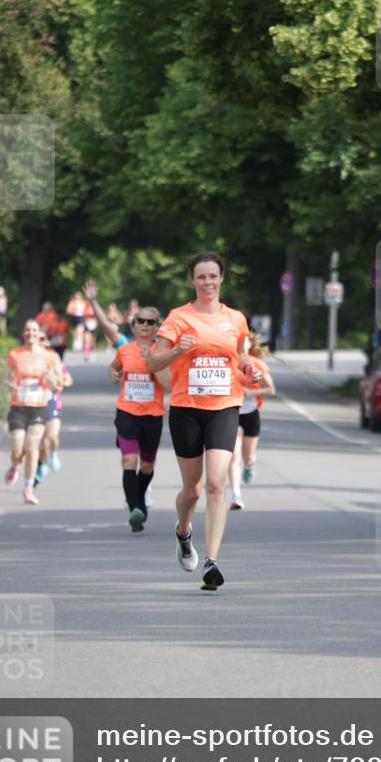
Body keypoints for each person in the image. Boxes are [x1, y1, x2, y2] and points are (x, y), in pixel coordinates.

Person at [147, 251, 260, 591]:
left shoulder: (235, 319)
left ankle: (211, 561)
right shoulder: (178, 318)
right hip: (187, 409)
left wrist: (248, 367)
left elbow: (240, 354)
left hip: (225, 406)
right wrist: (176, 351)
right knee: (192, 491)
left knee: (215, 483)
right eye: (201, 277)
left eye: (213, 276)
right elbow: (154, 363)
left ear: (221, 277)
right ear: (193, 280)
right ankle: (184, 532)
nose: (208, 282)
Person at [108, 306, 169, 531]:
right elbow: (113, 367)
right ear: (133, 325)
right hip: (126, 412)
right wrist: (113, 373)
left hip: (152, 416)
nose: (145, 325)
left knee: (147, 466)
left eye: (150, 322)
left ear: (157, 327)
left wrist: (152, 360)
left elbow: (169, 384)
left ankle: (139, 500)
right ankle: (135, 508)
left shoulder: (162, 352)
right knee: (129, 461)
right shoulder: (124, 350)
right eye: (140, 321)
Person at [4, 319, 63, 505]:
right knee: (17, 449)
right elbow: (5, 378)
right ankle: (15, 465)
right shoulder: (15, 354)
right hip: (18, 407)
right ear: (23, 333)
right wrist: (11, 384)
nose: (31, 333)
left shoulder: (50, 356)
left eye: (34, 330)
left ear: (39, 333)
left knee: (31, 448)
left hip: (39, 407)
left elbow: (59, 383)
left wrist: (52, 380)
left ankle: (28, 489)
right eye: (27, 330)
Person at [229, 332, 276, 510]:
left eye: (244, 342)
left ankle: (249, 466)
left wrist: (252, 392)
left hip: (250, 414)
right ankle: (236, 495)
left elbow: (270, 389)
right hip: (232, 413)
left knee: (248, 457)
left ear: (249, 345)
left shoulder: (257, 364)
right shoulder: (229, 363)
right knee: (234, 456)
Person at [35, 331, 73, 481]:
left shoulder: (55, 359)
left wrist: (61, 382)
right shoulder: (29, 360)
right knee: (42, 441)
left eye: (42, 338)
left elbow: (67, 379)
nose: (40, 341)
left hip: (53, 404)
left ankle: (54, 453)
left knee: (52, 437)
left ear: (47, 342)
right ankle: (41, 464)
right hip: (34, 404)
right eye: (37, 339)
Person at [83, 281, 129, 348]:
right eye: (110, 307)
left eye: (113, 307)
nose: (111, 308)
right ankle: (108, 347)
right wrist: (92, 301)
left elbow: (121, 321)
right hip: (109, 328)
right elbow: (104, 321)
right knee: (107, 337)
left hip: (115, 328)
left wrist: (114, 320)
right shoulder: (107, 312)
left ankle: (109, 347)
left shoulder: (117, 312)